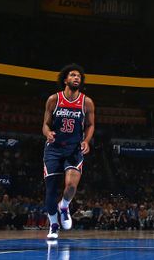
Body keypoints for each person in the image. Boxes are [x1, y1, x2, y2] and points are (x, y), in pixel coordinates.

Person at [42, 64, 95, 240]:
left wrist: (86, 141)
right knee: (50, 192)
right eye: (72, 75)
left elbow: (90, 124)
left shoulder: (86, 102)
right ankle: (54, 225)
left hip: (74, 148)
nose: (76, 78)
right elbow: (46, 124)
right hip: (54, 149)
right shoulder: (53, 100)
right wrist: (47, 133)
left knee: (71, 185)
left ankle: (64, 206)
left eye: (79, 76)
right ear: (65, 79)